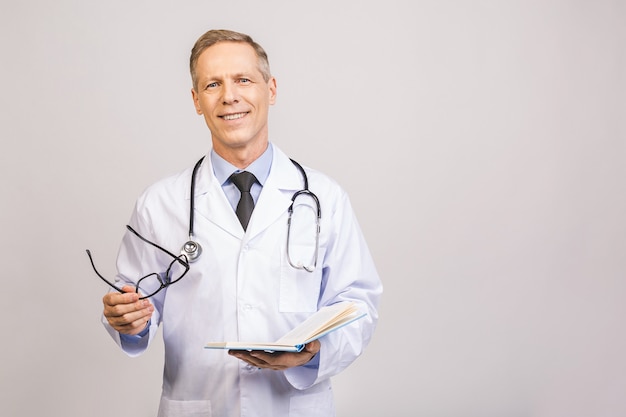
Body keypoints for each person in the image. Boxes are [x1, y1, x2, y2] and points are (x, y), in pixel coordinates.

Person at [99, 29, 382, 417]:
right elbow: (133, 303)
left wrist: (316, 353)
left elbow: (357, 303)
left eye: (243, 80)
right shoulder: (159, 203)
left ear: (272, 89)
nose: (229, 96)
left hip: (294, 405)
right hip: (199, 404)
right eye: (213, 84)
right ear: (197, 101)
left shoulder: (324, 197)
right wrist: (128, 320)